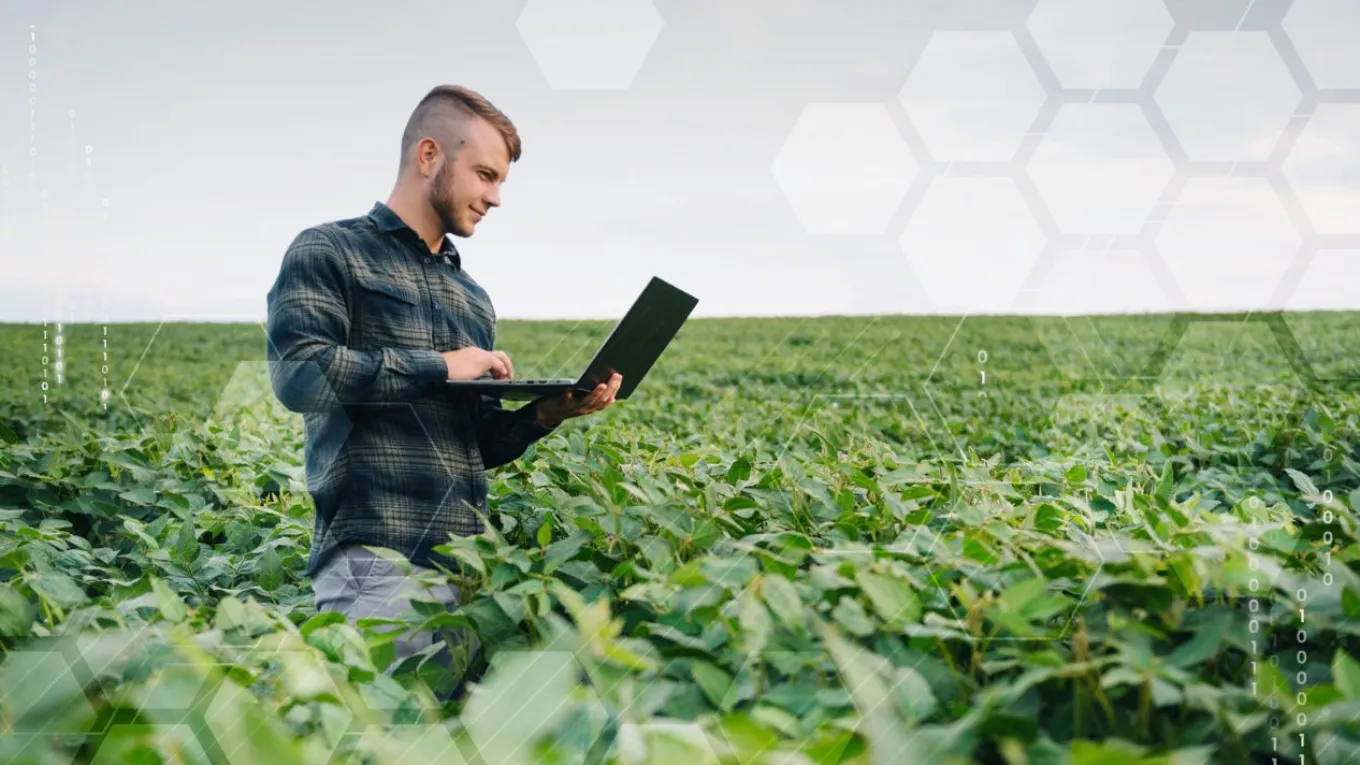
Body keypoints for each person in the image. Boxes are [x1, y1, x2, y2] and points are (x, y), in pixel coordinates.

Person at [265, 84, 621, 697]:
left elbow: (474, 444)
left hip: (469, 571)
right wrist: (439, 366)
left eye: (501, 181)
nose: (496, 197)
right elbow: (299, 375)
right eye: (485, 174)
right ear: (429, 155)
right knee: (380, 731)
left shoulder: (472, 298)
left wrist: (546, 413)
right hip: (375, 563)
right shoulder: (329, 251)